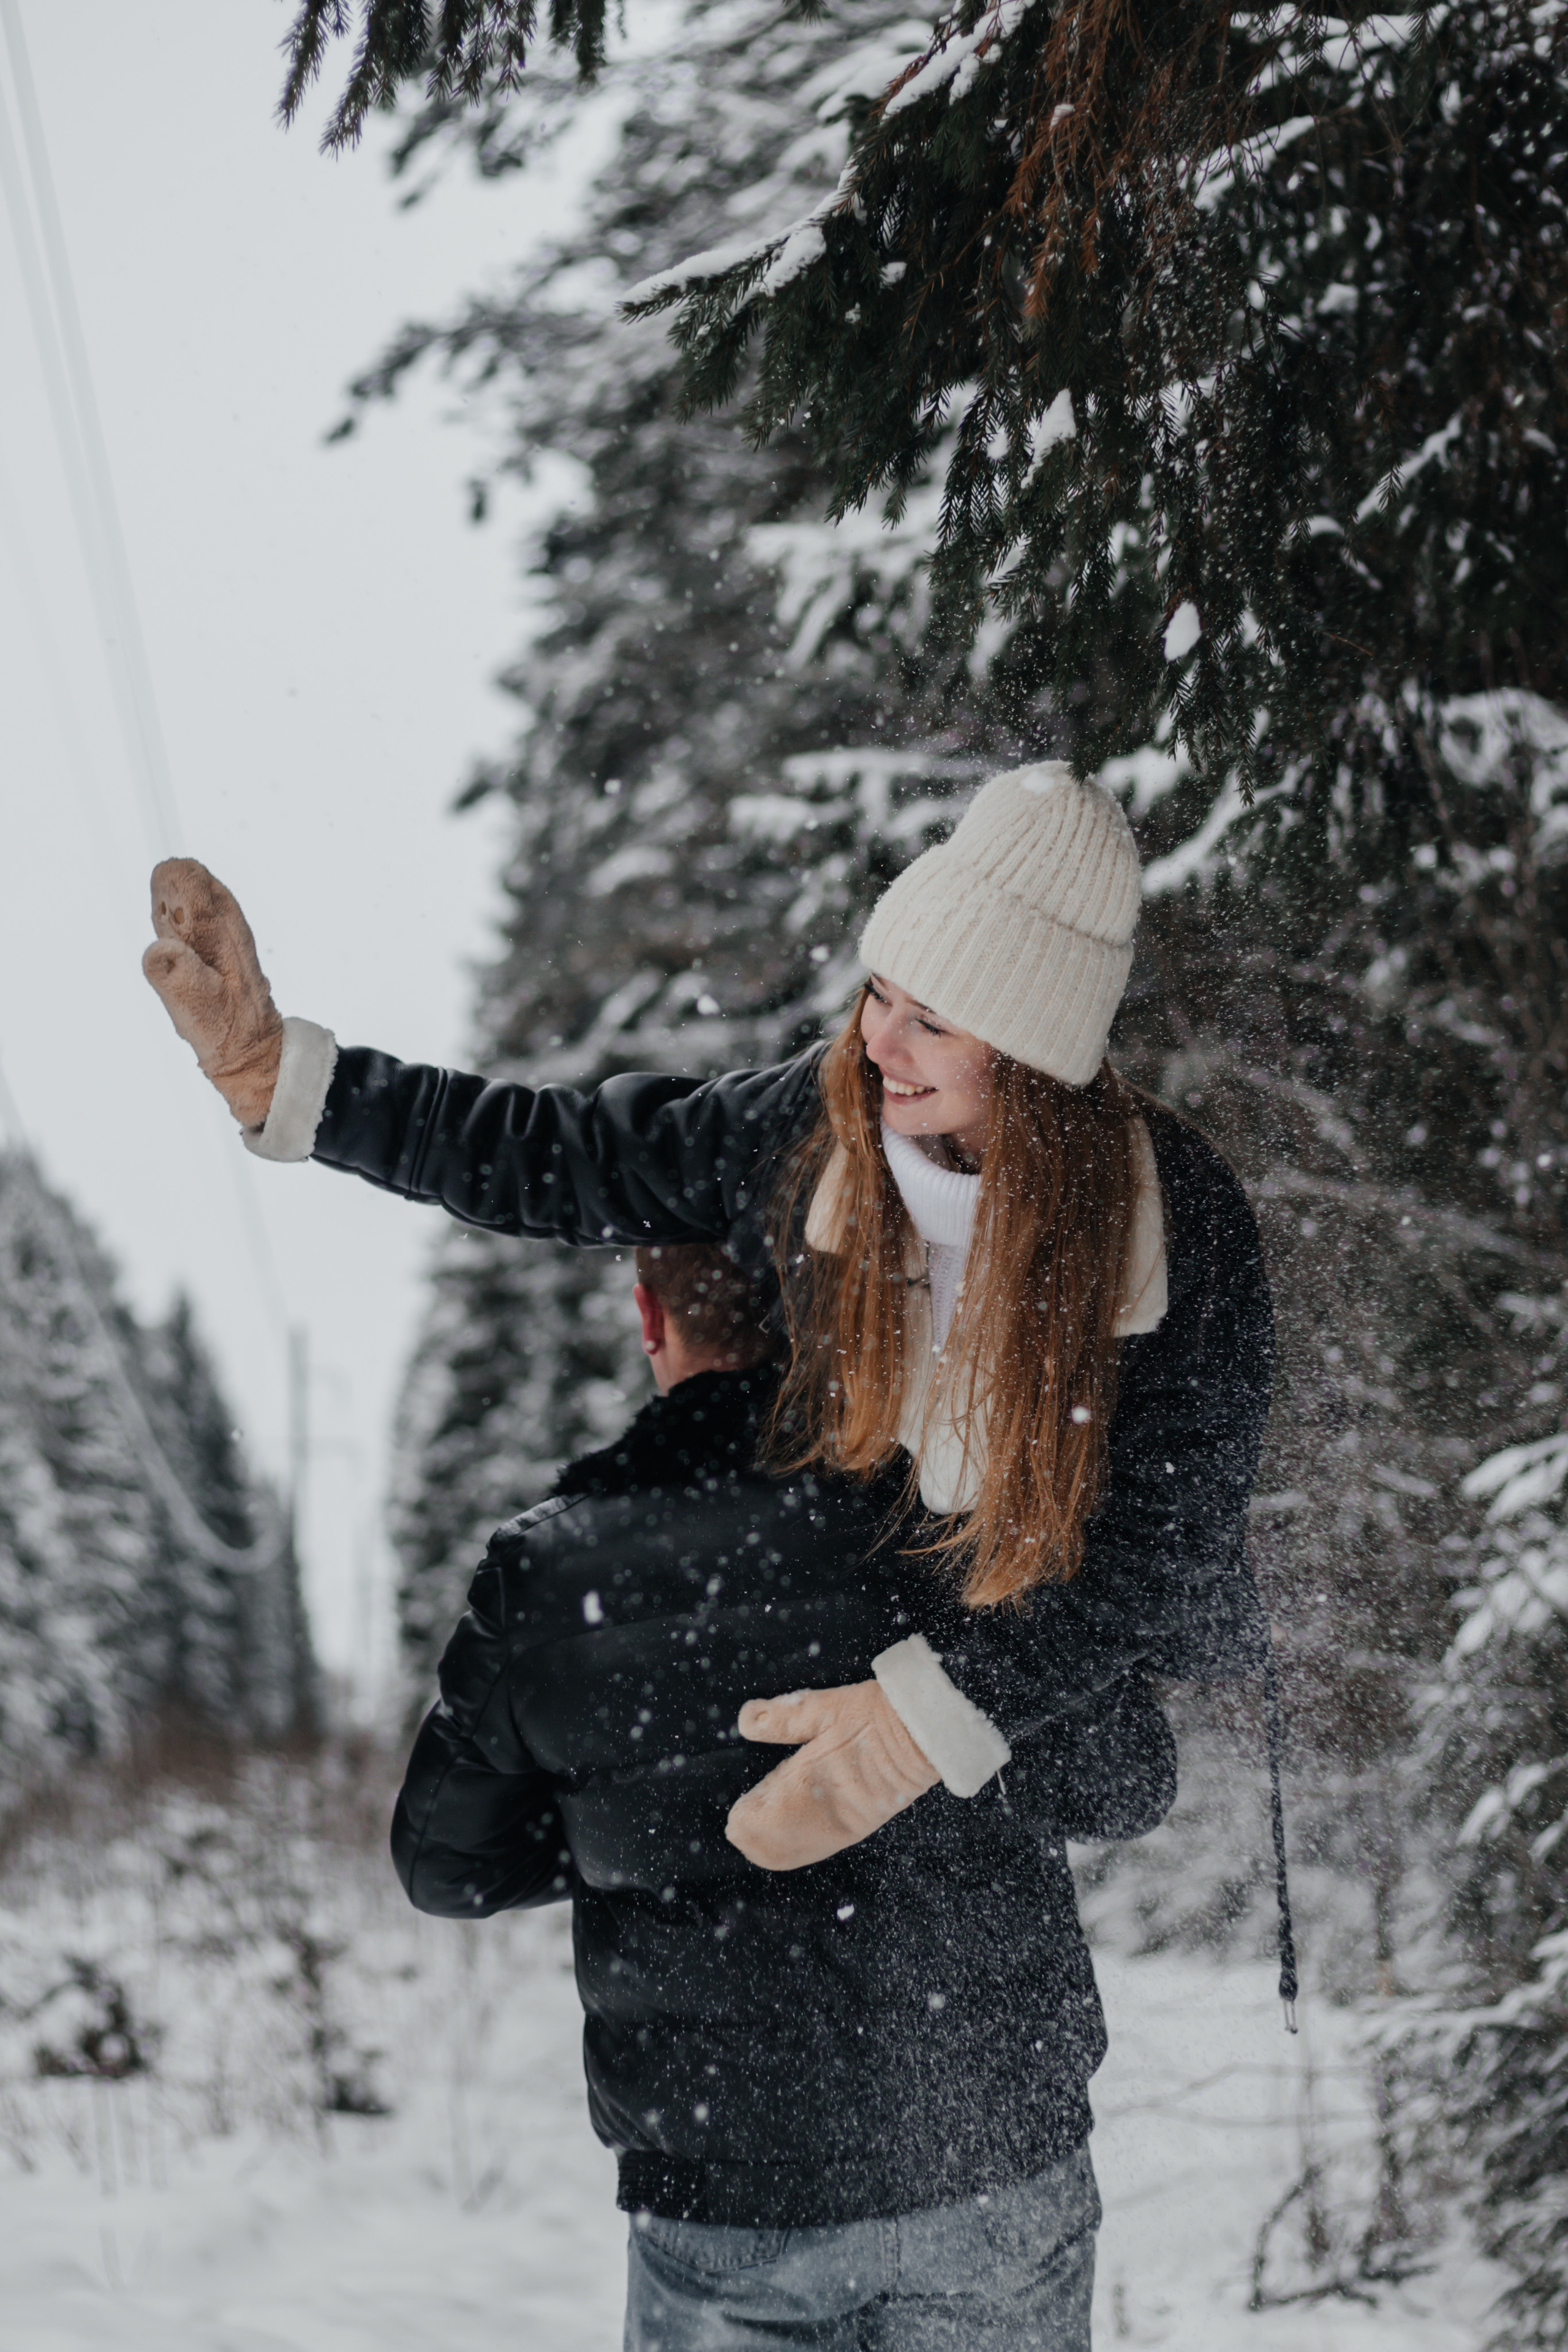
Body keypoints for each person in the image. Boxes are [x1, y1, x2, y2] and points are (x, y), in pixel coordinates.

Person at [141, 760, 1276, 2348]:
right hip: (870, 1672)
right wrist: (289, 1080)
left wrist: (926, 1719)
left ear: (1033, 1047)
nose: (880, 1038)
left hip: (1040, 1648)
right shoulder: (815, 1138)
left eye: (932, 1019)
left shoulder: (1178, 1235)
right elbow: (560, 1155)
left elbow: (1153, 1559)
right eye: (879, 989)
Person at [393, 1238, 1177, 2348]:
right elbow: (1124, 1777)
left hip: (730, 2199)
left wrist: (639, 1825)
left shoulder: (549, 1575)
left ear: (651, 1320)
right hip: (990, 2157)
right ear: (855, 1311)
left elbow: (446, 1864)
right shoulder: (952, 1514)